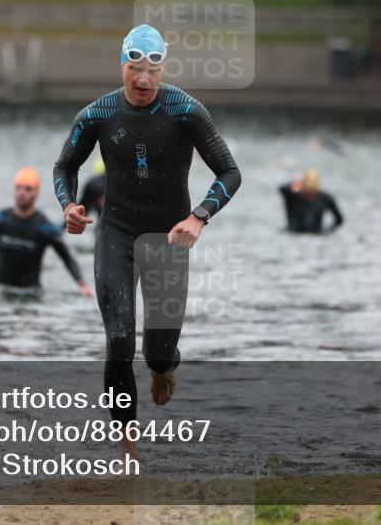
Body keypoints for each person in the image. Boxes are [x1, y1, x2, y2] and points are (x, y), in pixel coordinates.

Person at [52, 23, 242, 460]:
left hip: (169, 237)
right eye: (134, 69)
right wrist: (68, 207)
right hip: (116, 231)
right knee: (118, 340)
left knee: (157, 352)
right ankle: (127, 447)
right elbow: (65, 167)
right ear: (122, 66)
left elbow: (230, 173)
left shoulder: (186, 110)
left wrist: (199, 218)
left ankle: (162, 369)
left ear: (163, 69)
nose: (142, 80)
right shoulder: (97, 114)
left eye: (151, 71)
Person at [0, 167, 93, 296]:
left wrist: (82, 285)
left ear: (37, 193)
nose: (22, 192)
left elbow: (66, 257)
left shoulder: (44, 227)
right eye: (18, 187)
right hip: (0, 291)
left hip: (31, 295)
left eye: (28, 189)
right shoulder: (0, 219)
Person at [279, 169, 343, 234]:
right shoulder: (293, 196)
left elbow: (339, 220)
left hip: (315, 233)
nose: (309, 193)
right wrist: (297, 182)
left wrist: (327, 231)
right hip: (294, 233)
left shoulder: (325, 198)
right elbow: (282, 188)